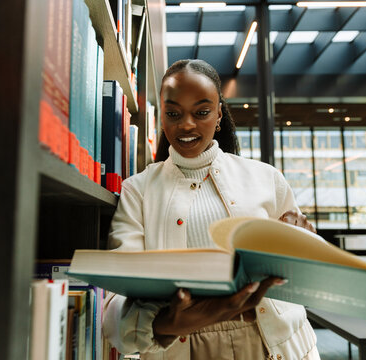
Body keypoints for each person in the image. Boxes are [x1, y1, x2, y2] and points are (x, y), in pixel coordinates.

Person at [102, 59, 320, 359]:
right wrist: (166, 324)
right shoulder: (137, 191)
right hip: (183, 345)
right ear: (161, 119)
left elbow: (301, 277)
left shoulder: (267, 178)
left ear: (219, 114)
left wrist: (304, 241)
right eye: (173, 113)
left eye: (202, 112)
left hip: (272, 342)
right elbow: (116, 301)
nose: (187, 124)